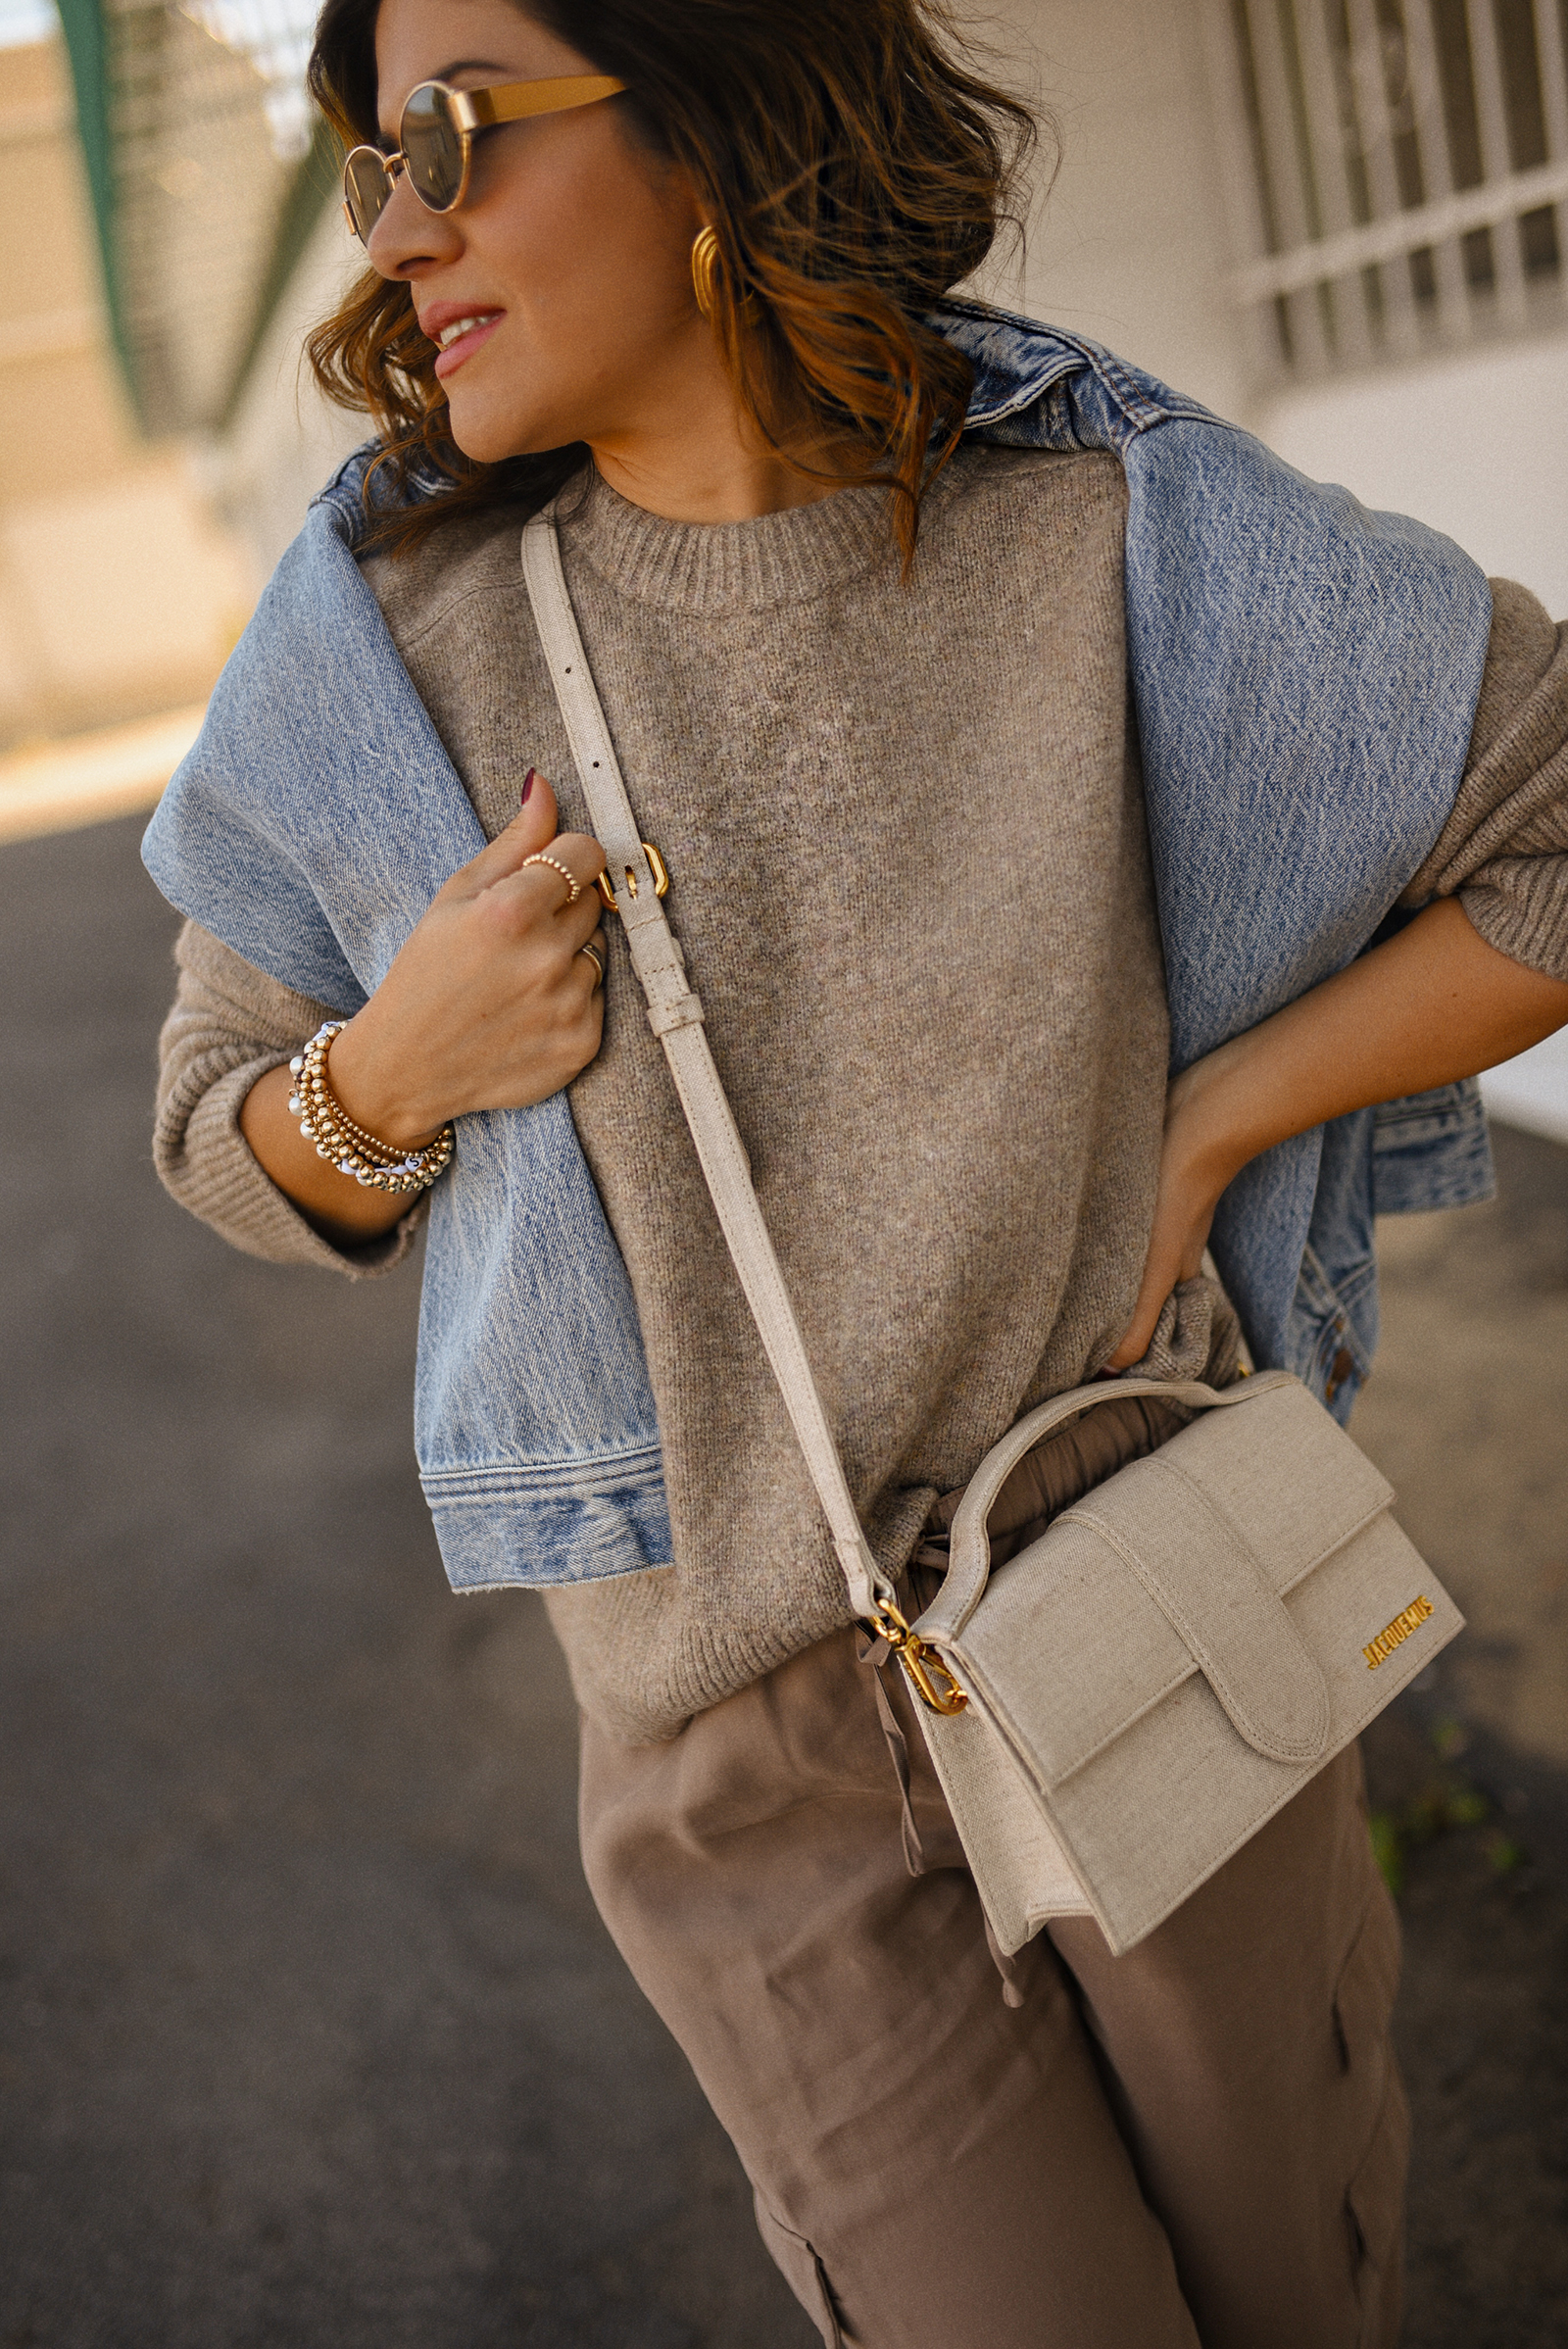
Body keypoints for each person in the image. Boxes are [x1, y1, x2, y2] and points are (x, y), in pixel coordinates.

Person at [145, 0, 1568, 2340]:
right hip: (759, 1765)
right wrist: (391, 1065)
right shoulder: (390, 666)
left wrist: (1220, 1106)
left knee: (1297, 2290)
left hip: (1141, 1587)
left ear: (710, 100)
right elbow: (221, 1130)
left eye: (443, 136)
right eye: (362, 167)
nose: (393, 233)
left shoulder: (1117, 542)